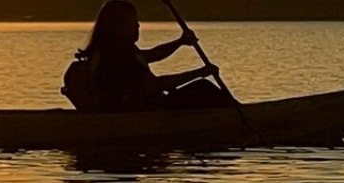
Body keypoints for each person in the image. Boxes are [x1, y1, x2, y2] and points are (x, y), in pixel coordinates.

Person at [64, 0, 234, 112]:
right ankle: (238, 114)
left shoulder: (122, 52)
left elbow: (154, 54)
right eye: (132, 22)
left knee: (202, 89)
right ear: (117, 28)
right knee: (204, 88)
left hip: (148, 107)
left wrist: (180, 42)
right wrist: (199, 73)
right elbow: (155, 85)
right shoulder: (116, 59)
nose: (138, 25)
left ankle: (233, 111)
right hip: (140, 112)